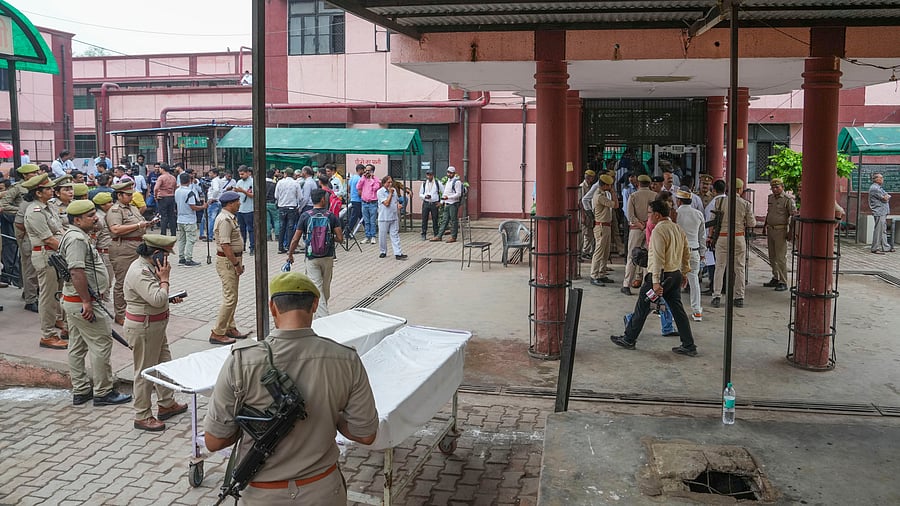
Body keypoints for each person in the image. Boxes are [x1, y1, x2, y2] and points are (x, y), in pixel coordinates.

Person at [204, 272, 378, 505]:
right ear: (315, 304)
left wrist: (252, 426)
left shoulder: (241, 361)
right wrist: (330, 416)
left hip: (262, 494)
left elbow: (214, 441)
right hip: (323, 491)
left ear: (272, 307)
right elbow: (365, 434)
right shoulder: (345, 359)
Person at [58, 199, 133, 407]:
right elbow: (76, 271)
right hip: (83, 302)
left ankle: (81, 390)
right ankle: (103, 392)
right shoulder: (77, 240)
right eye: (90, 215)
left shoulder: (75, 234)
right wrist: (86, 302)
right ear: (78, 220)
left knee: (77, 346)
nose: (96, 217)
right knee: (101, 344)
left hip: (76, 301)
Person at [610, 199, 699, 357]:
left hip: (661, 276)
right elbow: (686, 252)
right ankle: (689, 344)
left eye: (650, 213)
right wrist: (684, 272)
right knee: (678, 311)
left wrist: (656, 282)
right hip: (675, 274)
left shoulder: (659, 230)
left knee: (642, 308)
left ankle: (629, 338)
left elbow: (657, 258)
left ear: (657, 215)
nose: (648, 216)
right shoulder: (677, 228)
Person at [122, 234, 188, 431]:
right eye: (166, 255)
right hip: (144, 327)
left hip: (155, 326)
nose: (168, 261)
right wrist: (165, 281)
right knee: (145, 371)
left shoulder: (150, 268)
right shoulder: (140, 271)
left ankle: (166, 404)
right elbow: (157, 299)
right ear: (157, 254)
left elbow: (157, 297)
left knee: (163, 364)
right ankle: (142, 415)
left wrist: (168, 294)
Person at [22, 174, 68, 349]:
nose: (51, 191)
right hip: (46, 255)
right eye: (48, 189)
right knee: (48, 296)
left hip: (56, 254)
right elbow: (48, 239)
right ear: (38, 193)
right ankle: (47, 335)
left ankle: (61, 324)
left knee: (61, 292)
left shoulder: (50, 207)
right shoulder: (34, 211)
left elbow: (60, 229)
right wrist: (69, 249)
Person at [287, 188, 343, 318]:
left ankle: (321, 314)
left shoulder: (306, 215)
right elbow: (340, 239)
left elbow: (296, 238)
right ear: (323, 199)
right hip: (328, 256)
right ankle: (323, 315)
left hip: (311, 256)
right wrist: (328, 238)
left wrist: (290, 254)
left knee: (317, 287)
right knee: (325, 287)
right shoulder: (331, 216)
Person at [107, 181, 152, 325]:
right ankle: (120, 314)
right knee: (122, 280)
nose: (131, 197)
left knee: (139, 277)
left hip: (137, 244)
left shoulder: (132, 207)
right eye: (127, 195)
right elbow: (115, 229)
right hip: (123, 247)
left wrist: (146, 224)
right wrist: (138, 225)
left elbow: (139, 222)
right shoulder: (115, 210)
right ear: (119, 195)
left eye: (132, 194)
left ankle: (135, 307)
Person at [710, 179, 757, 308]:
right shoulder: (745, 204)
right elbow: (752, 223)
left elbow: (712, 221)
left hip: (722, 237)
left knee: (719, 267)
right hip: (738, 237)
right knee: (740, 268)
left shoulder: (719, 202)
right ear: (740, 190)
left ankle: (717, 296)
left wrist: (710, 237)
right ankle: (739, 297)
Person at [211, 191, 249, 344]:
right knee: (230, 298)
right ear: (231, 203)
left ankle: (229, 327)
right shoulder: (225, 219)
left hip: (231, 260)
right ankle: (217, 332)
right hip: (228, 262)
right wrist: (236, 264)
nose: (240, 204)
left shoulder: (229, 217)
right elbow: (225, 245)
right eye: (238, 201)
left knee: (232, 297)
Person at [1, 164, 42, 304]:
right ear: (25, 175)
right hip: (22, 227)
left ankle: (31, 290)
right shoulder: (17, 188)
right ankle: (30, 295)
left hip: (35, 225)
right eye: (33, 172)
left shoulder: (38, 186)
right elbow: (4, 205)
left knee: (36, 262)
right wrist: (21, 210)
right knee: (28, 262)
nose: (37, 173)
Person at [675, 189, 707, 321]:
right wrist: (703, 253)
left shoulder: (675, 214)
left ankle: (673, 312)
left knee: (673, 282)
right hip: (693, 250)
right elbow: (702, 236)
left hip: (677, 252)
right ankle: (697, 310)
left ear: (679, 200)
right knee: (694, 281)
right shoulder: (698, 214)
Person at [621, 174, 656, 294]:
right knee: (648, 257)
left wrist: (640, 225)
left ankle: (626, 284)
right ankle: (647, 286)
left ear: (638, 183)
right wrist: (647, 225)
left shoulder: (633, 196)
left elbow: (630, 215)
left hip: (636, 228)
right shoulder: (655, 196)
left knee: (632, 256)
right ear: (649, 184)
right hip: (651, 229)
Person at [763, 178, 797, 290]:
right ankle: (775, 277)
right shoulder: (770, 198)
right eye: (773, 187)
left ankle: (783, 281)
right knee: (772, 256)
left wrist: (790, 232)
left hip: (781, 230)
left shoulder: (787, 200)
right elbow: (769, 213)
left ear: (782, 187)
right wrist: (764, 226)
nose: (775, 189)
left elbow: (793, 216)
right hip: (770, 229)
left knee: (780, 257)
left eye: (777, 187)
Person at [589, 174, 617, 286]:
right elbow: (615, 205)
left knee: (605, 251)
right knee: (599, 251)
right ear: (604, 185)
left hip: (606, 226)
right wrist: (613, 192)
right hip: (601, 227)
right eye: (610, 185)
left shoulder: (603, 193)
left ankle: (601, 273)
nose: (611, 186)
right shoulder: (599, 196)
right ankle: (594, 275)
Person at [174, 172, 207, 266]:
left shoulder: (177, 191)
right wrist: (203, 207)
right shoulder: (190, 192)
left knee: (182, 239)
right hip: (189, 218)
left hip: (180, 218)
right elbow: (193, 207)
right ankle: (188, 258)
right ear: (189, 181)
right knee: (190, 239)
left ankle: (181, 258)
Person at [377, 175, 408, 260]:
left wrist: (398, 205)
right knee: (382, 236)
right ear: (384, 183)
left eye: (391, 182)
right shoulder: (380, 192)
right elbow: (386, 203)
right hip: (384, 217)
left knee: (395, 235)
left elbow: (396, 201)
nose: (390, 184)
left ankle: (398, 253)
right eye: (388, 182)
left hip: (393, 216)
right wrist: (390, 193)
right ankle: (383, 251)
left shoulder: (394, 191)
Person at [430, 166, 463, 243]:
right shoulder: (448, 181)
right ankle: (439, 236)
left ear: (454, 173)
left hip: (453, 204)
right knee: (445, 220)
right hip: (447, 203)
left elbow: (458, 194)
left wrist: (448, 197)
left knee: (453, 220)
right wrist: (442, 202)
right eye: (448, 172)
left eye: (451, 173)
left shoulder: (456, 182)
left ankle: (453, 237)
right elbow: (445, 193)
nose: (449, 174)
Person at [91, 192, 116, 283]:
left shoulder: (108, 215)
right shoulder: (99, 219)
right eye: (109, 202)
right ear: (102, 205)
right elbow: (94, 238)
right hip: (103, 253)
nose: (112, 204)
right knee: (105, 284)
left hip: (109, 252)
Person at [275, 168, 300, 254]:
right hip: (292, 208)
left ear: (285, 174)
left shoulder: (280, 182)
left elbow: (276, 195)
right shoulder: (296, 183)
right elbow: (300, 197)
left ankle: (280, 247)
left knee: (282, 227)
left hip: (282, 207)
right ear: (293, 174)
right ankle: (290, 247)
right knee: (290, 227)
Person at [869, 172, 893, 254]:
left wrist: (886, 196)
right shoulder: (875, 188)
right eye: (881, 178)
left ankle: (886, 247)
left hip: (883, 211)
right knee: (878, 230)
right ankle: (875, 248)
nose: (882, 179)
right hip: (879, 211)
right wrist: (886, 197)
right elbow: (885, 198)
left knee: (883, 230)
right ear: (876, 179)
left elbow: (887, 195)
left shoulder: (879, 187)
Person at [356, 164, 381, 244]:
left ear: (372, 171)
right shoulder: (363, 179)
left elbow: (375, 188)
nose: (367, 172)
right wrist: (363, 177)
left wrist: (371, 179)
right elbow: (358, 187)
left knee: (372, 221)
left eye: (369, 170)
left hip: (373, 203)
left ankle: (373, 236)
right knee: (366, 221)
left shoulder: (376, 180)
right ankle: (367, 236)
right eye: (366, 170)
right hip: (364, 202)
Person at [234, 166, 255, 255]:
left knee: (251, 229)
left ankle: (252, 247)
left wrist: (243, 191)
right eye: (240, 174)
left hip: (249, 209)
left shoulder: (253, 182)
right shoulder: (239, 182)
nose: (241, 176)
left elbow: (253, 195)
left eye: (242, 174)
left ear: (247, 173)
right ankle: (242, 246)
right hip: (240, 209)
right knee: (241, 229)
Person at [154, 163, 177, 236]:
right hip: (171, 196)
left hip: (162, 197)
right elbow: (175, 187)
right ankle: (173, 233)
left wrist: (156, 196)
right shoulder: (173, 177)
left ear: (162, 169)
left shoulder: (161, 177)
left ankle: (163, 233)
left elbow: (156, 188)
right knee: (171, 216)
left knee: (163, 216)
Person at [578, 170, 597, 259]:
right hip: (584, 212)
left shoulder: (590, 186)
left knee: (589, 233)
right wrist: (582, 215)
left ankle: (586, 251)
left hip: (588, 212)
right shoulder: (582, 187)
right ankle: (579, 252)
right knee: (583, 233)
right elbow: (581, 202)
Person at [419, 169, 443, 241]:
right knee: (424, 219)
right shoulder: (424, 183)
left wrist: (441, 202)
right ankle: (423, 234)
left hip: (434, 203)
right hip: (426, 203)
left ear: (433, 175)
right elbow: (420, 194)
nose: (429, 176)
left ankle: (436, 234)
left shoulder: (437, 183)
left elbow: (444, 192)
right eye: (428, 175)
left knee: (435, 219)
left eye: (430, 175)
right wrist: (424, 196)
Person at [347, 164, 364, 237]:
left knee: (361, 216)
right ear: (360, 170)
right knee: (354, 217)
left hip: (353, 199)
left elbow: (348, 188)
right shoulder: (359, 179)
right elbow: (360, 190)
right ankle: (347, 232)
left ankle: (368, 230)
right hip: (358, 200)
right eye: (363, 170)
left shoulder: (352, 178)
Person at [265, 169, 280, 242]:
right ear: (273, 175)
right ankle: (277, 236)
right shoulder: (274, 184)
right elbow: (277, 195)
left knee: (267, 220)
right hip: (272, 203)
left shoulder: (262, 183)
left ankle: (268, 236)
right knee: (276, 220)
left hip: (264, 203)